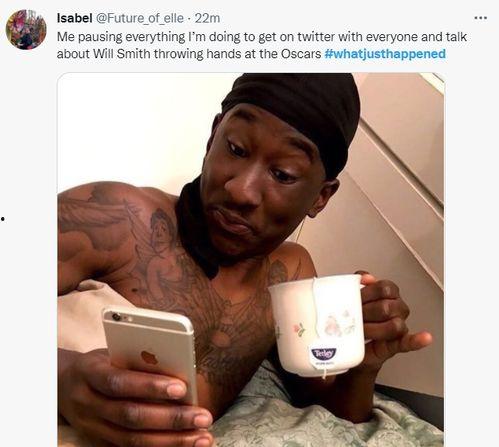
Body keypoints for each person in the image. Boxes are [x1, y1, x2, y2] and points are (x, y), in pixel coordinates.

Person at [58, 73, 432, 447]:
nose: (241, 189)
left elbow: (329, 407)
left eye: (282, 174)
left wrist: (363, 366)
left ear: (321, 197)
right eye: (236, 149)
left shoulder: (289, 276)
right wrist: (62, 378)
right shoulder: (114, 216)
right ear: (214, 136)